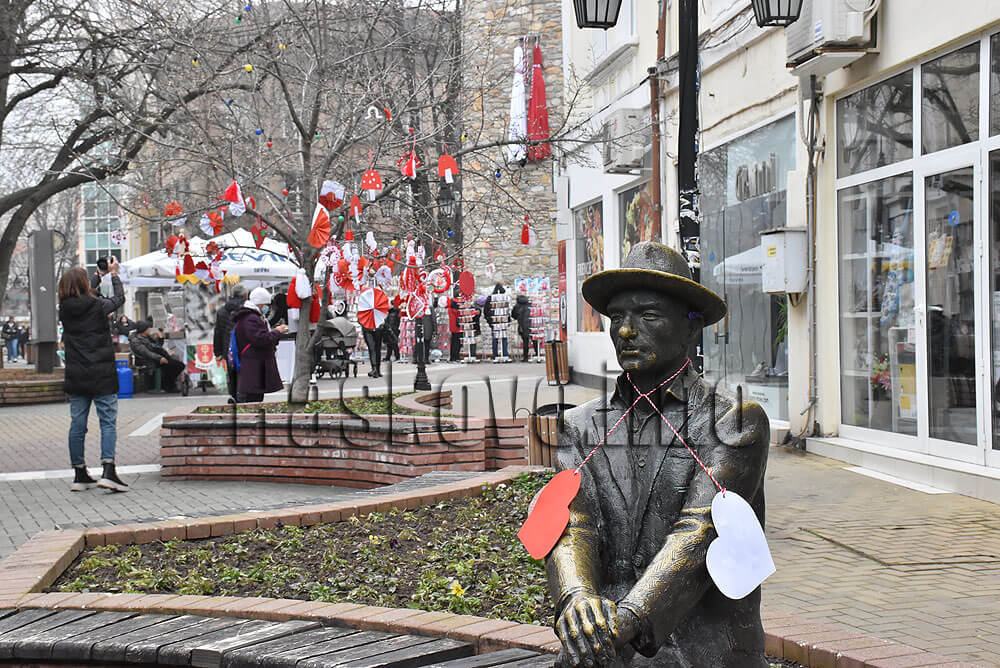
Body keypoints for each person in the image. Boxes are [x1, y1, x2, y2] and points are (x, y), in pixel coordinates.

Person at [547, 242, 769, 667]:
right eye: (617, 317)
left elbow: (700, 531)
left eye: (648, 316)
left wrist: (626, 621)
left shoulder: (734, 421)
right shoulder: (580, 425)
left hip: (700, 654)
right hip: (606, 653)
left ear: (691, 328)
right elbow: (572, 522)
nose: (626, 332)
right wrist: (576, 597)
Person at [58, 260, 130, 493]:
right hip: (101, 373)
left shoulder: (64, 308)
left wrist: (99, 274)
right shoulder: (97, 305)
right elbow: (119, 298)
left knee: (77, 424)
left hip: (76, 374)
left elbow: (83, 292)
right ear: (84, 284)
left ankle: (79, 473)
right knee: (107, 422)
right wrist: (114, 275)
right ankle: (108, 471)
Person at [232, 287, 288, 402]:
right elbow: (261, 339)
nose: (267, 308)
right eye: (266, 305)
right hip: (254, 367)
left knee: (255, 399)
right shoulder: (251, 318)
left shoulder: (249, 317)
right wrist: (277, 332)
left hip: (254, 366)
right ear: (260, 304)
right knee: (253, 400)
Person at [213, 284, 248, 402]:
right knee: (245, 372)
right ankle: (244, 397)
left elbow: (218, 332)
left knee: (232, 373)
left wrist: (217, 352)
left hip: (228, 348)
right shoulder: (247, 309)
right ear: (245, 295)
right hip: (245, 346)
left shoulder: (222, 311)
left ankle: (234, 396)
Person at [129, 321, 186, 393]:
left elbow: (157, 347)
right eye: (148, 328)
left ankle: (168, 384)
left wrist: (160, 339)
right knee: (178, 365)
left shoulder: (147, 337)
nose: (149, 330)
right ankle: (168, 385)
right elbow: (147, 353)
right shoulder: (136, 341)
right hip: (148, 360)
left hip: (155, 358)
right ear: (143, 330)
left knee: (175, 362)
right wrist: (160, 358)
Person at [512, 293, 533, 361]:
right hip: (531, 325)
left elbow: (513, 315)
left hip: (522, 326)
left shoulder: (517, 306)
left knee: (525, 342)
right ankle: (537, 354)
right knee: (534, 340)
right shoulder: (530, 304)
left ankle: (525, 357)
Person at [447, 296, 462, 362]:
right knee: (458, 343)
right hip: (458, 327)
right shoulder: (458, 310)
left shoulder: (450, 308)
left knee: (453, 342)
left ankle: (453, 357)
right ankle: (456, 356)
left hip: (452, 327)